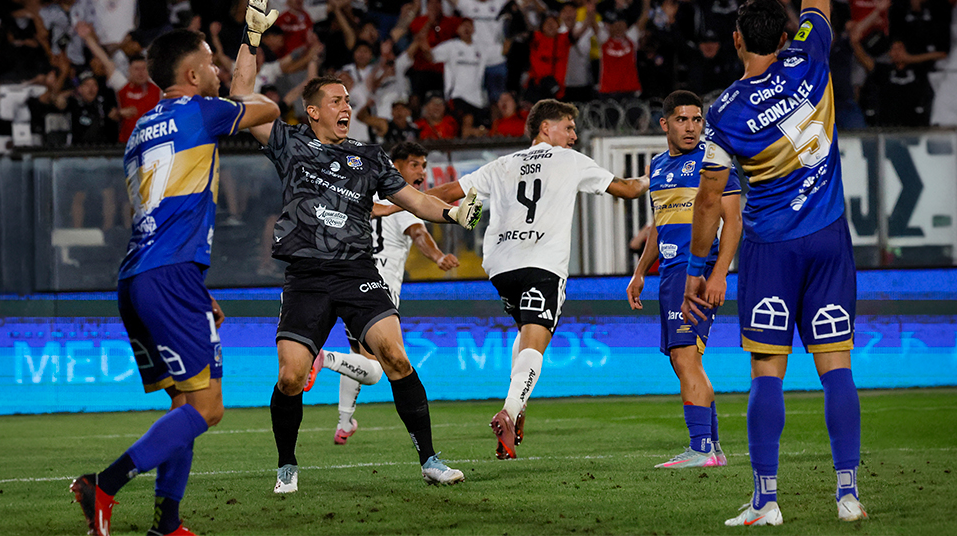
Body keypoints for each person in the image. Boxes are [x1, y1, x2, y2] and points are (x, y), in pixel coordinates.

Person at [228, 0, 482, 492]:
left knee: (395, 357)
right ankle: (287, 465)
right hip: (305, 275)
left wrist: (454, 215)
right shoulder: (289, 142)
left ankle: (430, 459)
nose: (347, 106)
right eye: (337, 100)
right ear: (314, 110)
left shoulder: (369, 156)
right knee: (291, 377)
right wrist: (252, 39)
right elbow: (239, 97)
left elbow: (416, 200)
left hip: (357, 271)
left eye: (349, 99)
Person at [68, 9, 282, 536]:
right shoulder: (200, 111)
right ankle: (106, 483)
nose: (214, 71)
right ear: (192, 76)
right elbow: (268, 106)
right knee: (208, 409)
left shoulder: (141, 127)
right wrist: (250, 46)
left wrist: (196, 289)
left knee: (184, 403)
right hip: (169, 276)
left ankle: (167, 523)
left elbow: (168, 212)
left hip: (141, 275)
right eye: (210, 62)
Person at [681, 0, 867, 526]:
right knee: (837, 368)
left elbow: (711, 200)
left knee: (767, 371)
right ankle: (847, 492)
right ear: (785, 36)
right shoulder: (810, 54)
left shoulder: (725, 115)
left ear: (736, 40)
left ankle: (766, 500)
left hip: (770, 248)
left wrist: (698, 266)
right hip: (830, 236)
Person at [426, 99, 648, 460]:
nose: (575, 136)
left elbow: (451, 191)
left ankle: (518, 405)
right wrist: (657, 178)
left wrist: (394, 200)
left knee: (525, 333)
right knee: (536, 342)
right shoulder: (570, 160)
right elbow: (625, 188)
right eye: (569, 127)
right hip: (542, 263)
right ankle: (509, 413)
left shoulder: (502, 164)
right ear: (546, 128)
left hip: (500, 267)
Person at [309, 141, 461, 445]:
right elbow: (419, 232)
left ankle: (344, 421)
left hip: (348, 282)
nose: (421, 171)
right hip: (380, 291)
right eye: (414, 164)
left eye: (423, 165)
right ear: (396, 165)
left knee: (358, 354)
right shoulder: (403, 197)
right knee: (379, 368)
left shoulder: (364, 192)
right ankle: (324, 359)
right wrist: (438, 257)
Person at [626, 90, 741, 469]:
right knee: (685, 360)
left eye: (697, 119)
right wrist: (641, 273)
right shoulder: (657, 166)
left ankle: (701, 448)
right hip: (670, 274)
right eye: (682, 119)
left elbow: (733, 222)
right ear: (665, 124)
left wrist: (719, 273)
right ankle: (713, 447)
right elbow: (659, 227)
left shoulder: (714, 162)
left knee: (684, 356)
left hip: (698, 271)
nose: (691, 127)